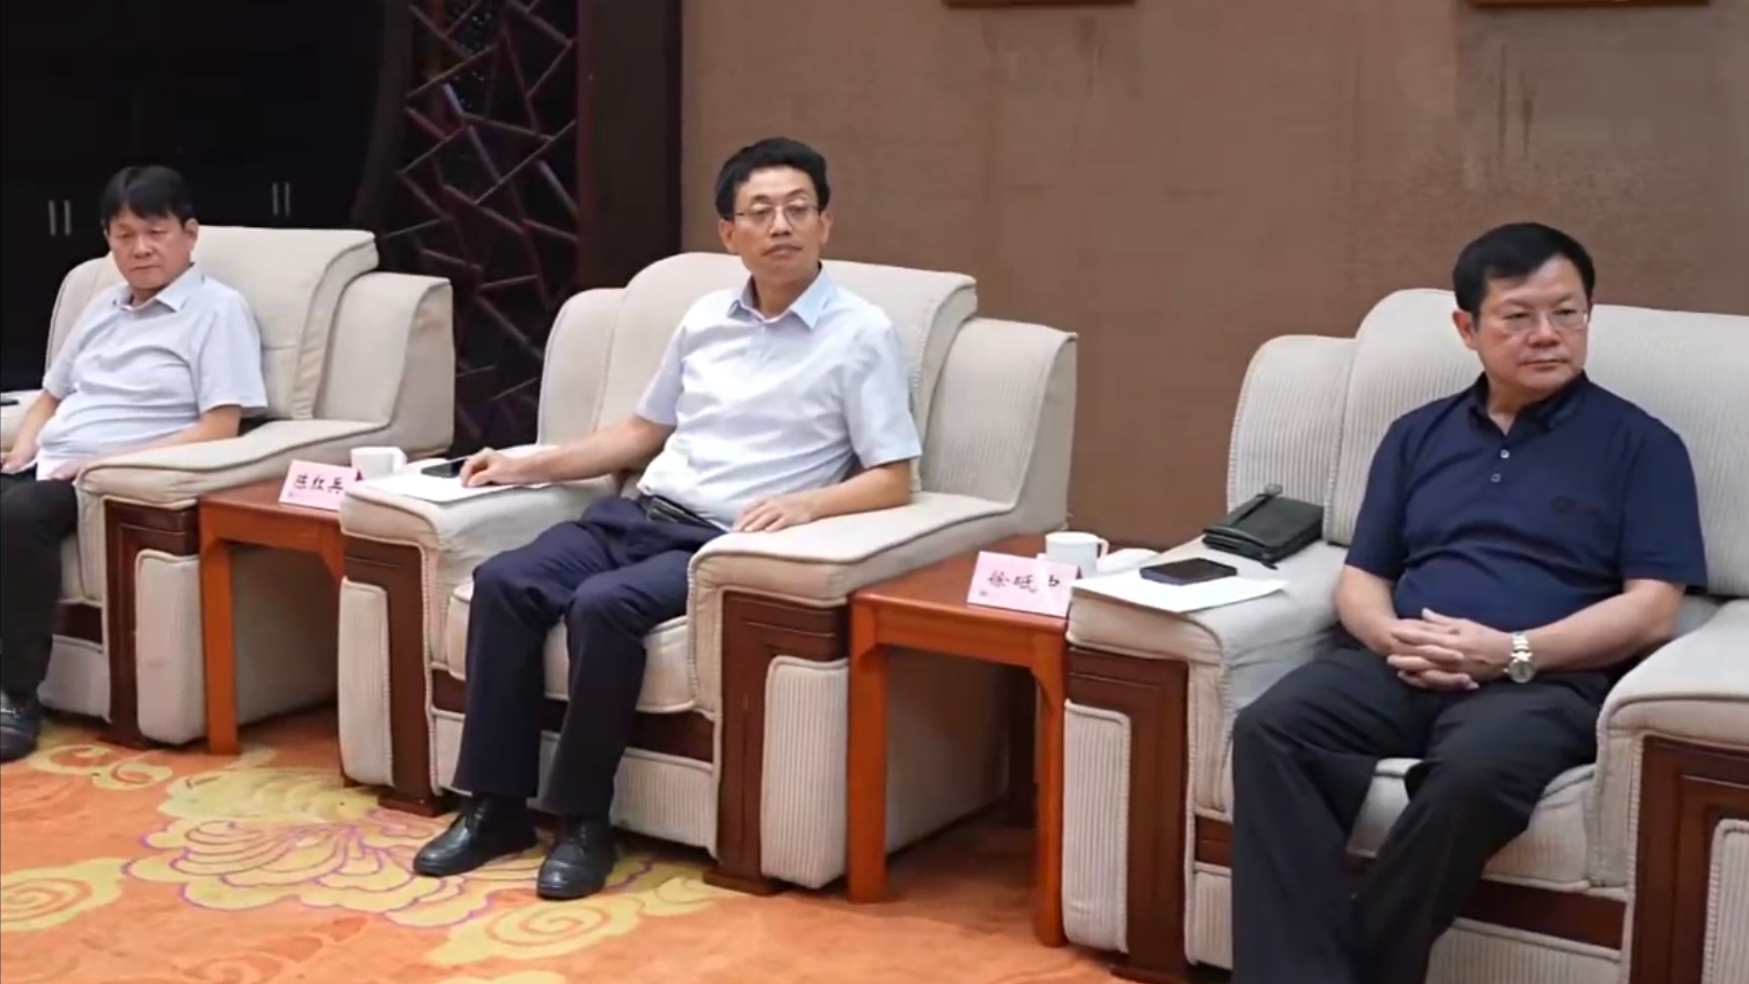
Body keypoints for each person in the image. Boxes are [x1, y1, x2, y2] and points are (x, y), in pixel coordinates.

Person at [411, 137, 921, 900]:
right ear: (729, 234)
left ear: (826, 224)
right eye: (760, 212)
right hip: (638, 513)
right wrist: (529, 463)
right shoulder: (706, 317)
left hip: (719, 539)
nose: (780, 225)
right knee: (506, 582)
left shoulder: (860, 334)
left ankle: (583, 821)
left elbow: (894, 478)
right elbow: (640, 433)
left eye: (797, 209)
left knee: (603, 607)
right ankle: (496, 808)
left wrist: (807, 503)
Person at [1229, 222, 1707, 984]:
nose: (1546, 335)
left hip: (1542, 680)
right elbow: (1361, 577)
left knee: (1473, 775)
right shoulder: (1416, 435)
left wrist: (1512, 652)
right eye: (1518, 316)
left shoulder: (1641, 446)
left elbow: (1651, 609)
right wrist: (1389, 638)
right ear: (1466, 328)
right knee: (1271, 729)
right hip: (1402, 660)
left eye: (1567, 313)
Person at [0, 165, 269, 764]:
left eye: (156, 232)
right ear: (108, 239)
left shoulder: (217, 311)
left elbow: (220, 426)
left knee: (17, 518)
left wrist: (104, 461)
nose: (141, 248)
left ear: (190, 234)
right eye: (125, 235)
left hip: (114, 477)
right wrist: (23, 447)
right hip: (51, 461)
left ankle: (16, 698)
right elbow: (51, 395)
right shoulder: (104, 305)